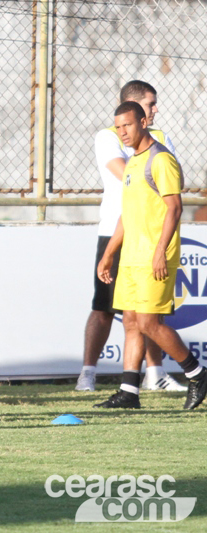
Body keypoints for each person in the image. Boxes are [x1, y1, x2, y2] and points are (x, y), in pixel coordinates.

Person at [94, 101, 207, 409]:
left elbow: (175, 208)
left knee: (148, 323)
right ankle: (129, 392)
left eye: (127, 125)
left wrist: (160, 252)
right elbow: (126, 214)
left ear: (143, 123)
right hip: (131, 256)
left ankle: (197, 374)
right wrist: (109, 254)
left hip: (154, 256)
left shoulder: (160, 159)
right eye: (118, 127)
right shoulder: (132, 162)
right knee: (131, 321)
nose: (122, 132)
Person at [76, 80, 186, 392]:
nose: (155, 109)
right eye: (151, 104)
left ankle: (154, 374)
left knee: (148, 313)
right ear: (135, 106)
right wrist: (149, 164)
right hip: (116, 230)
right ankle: (88, 373)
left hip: (149, 234)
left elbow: (172, 180)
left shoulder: (160, 139)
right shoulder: (108, 136)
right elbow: (127, 173)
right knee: (104, 308)